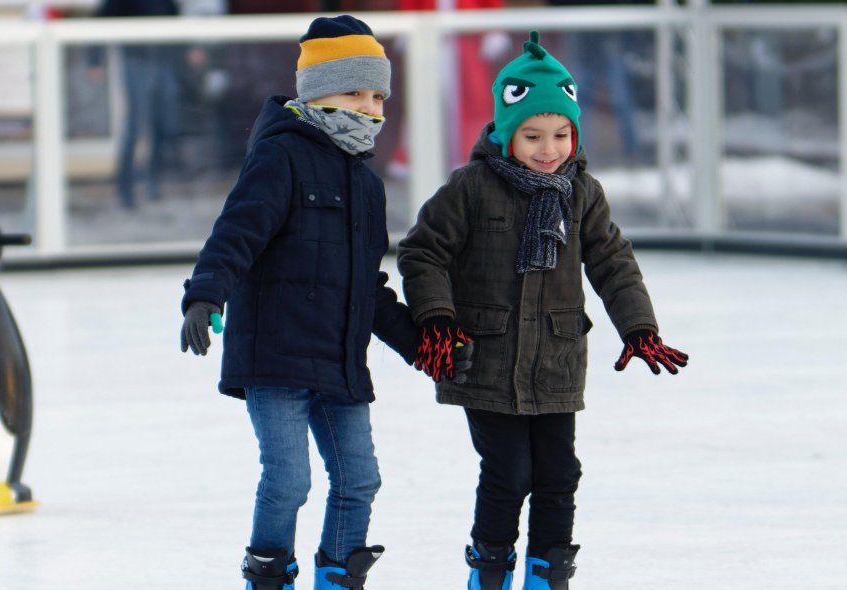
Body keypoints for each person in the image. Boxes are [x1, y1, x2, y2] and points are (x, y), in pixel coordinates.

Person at [397, 32, 690, 590]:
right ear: (507, 132)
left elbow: (612, 261)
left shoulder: (581, 192)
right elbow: (422, 251)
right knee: (509, 473)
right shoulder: (472, 188)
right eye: (532, 135)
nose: (548, 147)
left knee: (559, 473)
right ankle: (490, 574)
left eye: (560, 134)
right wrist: (437, 318)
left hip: (554, 361)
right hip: (484, 359)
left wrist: (639, 326)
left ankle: (548, 575)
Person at [177, 15, 418, 590]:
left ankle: (339, 575)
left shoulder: (368, 183)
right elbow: (236, 233)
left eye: (378, 95)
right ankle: (269, 576)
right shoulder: (280, 158)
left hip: (338, 361)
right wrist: (205, 293)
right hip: (277, 356)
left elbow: (368, 283)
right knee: (288, 481)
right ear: (315, 92)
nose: (370, 108)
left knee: (360, 479)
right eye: (354, 92)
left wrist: (419, 343)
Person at [95, 0, 181, 209]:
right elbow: (100, 20)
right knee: (135, 125)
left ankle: (153, 184)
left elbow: (174, 16)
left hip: (163, 60)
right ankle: (125, 189)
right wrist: (94, 60)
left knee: (164, 123)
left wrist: (188, 51)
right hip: (136, 61)